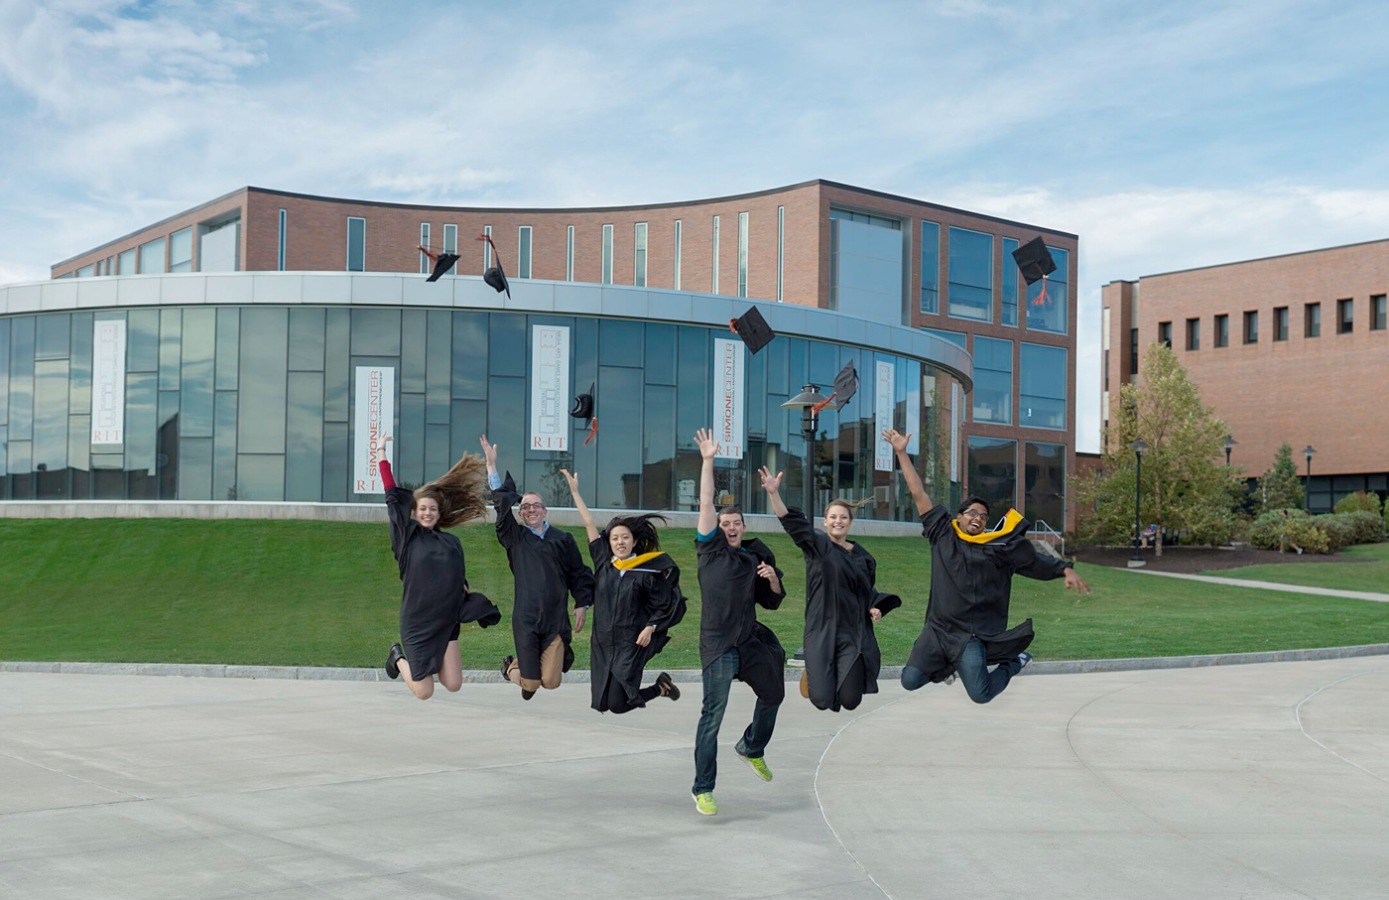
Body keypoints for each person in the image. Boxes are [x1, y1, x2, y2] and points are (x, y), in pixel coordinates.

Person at [882, 427, 1091, 704]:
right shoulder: (943, 534)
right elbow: (918, 492)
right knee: (910, 681)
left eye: (983, 515)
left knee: (981, 694)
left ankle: (1014, 662)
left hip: (972, 635)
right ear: (960, 516)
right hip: (938, 631)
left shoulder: (999, 550)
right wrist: (901, 453)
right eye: (972, 513)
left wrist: (1063, 568)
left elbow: (1034, 562)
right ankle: (947, 666)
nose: (978, 518)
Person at [689, 427, 787, 816]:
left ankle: (752, 746)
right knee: (713, 716)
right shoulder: (708, 550)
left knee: (774, 694)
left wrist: (773, 578)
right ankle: (703, 788)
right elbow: (706, 501)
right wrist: (708, 460)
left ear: (744, 527)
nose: (730, 527)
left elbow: (774, 603)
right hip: (718, 645)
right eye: (724, 522)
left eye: (736, 523)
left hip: (748, 642)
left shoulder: (753, 560)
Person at [759, 467, 900, 712]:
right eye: (833, 517)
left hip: (852, 635)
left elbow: (866, 591)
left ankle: (828, 673)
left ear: (850, 522)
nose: (838, 521)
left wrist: (874, 607)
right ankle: (815, 674)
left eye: (843, 517)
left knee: (851, 701)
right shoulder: (818, 545)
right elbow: (793, 524)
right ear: (825, 521)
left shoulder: (864, 557)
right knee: (822, 701)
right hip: (821, 630)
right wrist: (774, 494)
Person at [379, 442, 501, 701]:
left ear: (438, 513)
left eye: (432, 509)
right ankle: (397, 657)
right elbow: (391, 496)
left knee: (454, 683)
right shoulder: (407, 538)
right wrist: (381, 454)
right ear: (415, 511)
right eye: (422, 508)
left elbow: (458, 576)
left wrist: (465, 590)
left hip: (447, 619)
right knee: (424, 691)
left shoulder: (452, 543)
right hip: (417, 621)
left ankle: (417, 661)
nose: (427, 512)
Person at [479, 435, 596, 700]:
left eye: (536, 506)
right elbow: (501, 507)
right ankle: (511, 667)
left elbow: (579, 573)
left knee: (552, 682)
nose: (530, 509)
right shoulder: (516, 538)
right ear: (520, 514)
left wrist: (582, 604)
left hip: (555, 620)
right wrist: (491, 468)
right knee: (530, 685)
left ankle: (527, 668)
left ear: (545, 511)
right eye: (525, 506)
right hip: (527, 619)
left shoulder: (562, 540)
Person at [561, 468, 685, 713]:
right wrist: (575, 491)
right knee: (604, 703)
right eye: (615, 538)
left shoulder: (647, 572)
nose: (620, 542)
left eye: (625, 537)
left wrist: (651, 627)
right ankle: (662, 686)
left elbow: (665, 602)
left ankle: (660, 688)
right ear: (609, 543)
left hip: (630, 643)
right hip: (603, 642)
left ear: (634, 541)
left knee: (618, 705)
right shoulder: (604, 564)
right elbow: (588, 523)